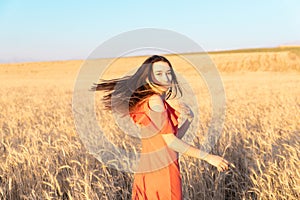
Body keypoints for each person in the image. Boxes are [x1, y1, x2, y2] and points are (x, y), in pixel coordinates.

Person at [91, 55, 230, 200]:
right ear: (147, 78)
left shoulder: (151, 100)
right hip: (163, 174)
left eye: (168, 73)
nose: (166, 78)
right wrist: (208, 157)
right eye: (159, 74)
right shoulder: (155, 101)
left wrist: (188, 120)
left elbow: (166, 141)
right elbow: (171, 142)